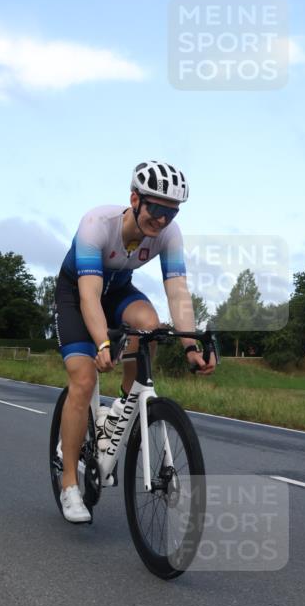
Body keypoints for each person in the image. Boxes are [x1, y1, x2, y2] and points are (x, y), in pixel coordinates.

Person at [54, 160, 216, 523]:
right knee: (83, 379)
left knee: (150, 326)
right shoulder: (97, 224)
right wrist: (102, 343)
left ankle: (120, 411)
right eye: (156, 209)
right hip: (79, 294)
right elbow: (89, 296)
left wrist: (190, 346)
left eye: (170, 213)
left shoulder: (169, 235)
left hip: (119, 291)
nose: (161, 220)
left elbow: (177, 291)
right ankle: (68, 484)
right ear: (135, 199)